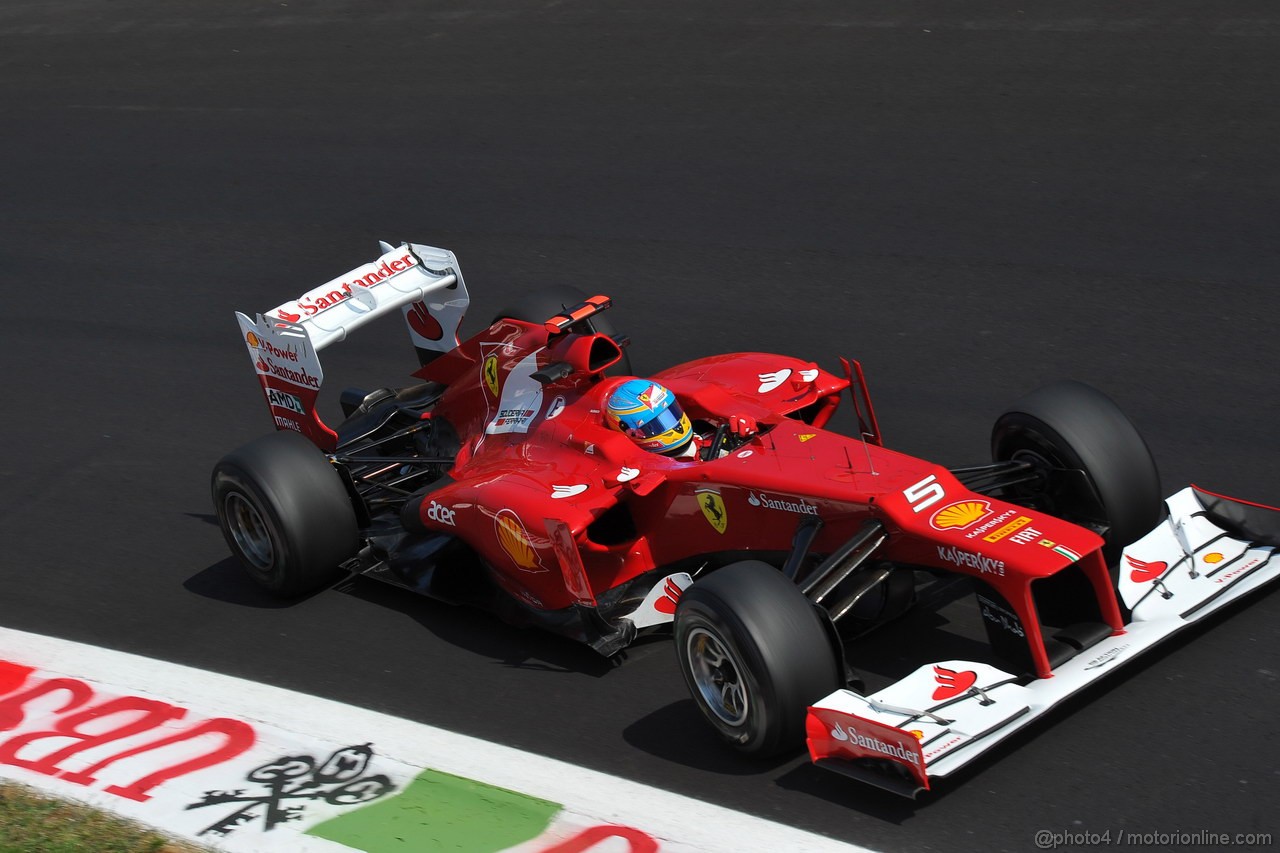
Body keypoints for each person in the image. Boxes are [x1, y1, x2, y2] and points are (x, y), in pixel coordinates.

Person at [605, 379, 756, 458]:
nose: (676, 426)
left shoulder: (706, 431)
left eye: (672, 413)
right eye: (657, 425)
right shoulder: (646, 468)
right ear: (630, 432)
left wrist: (752, 431)